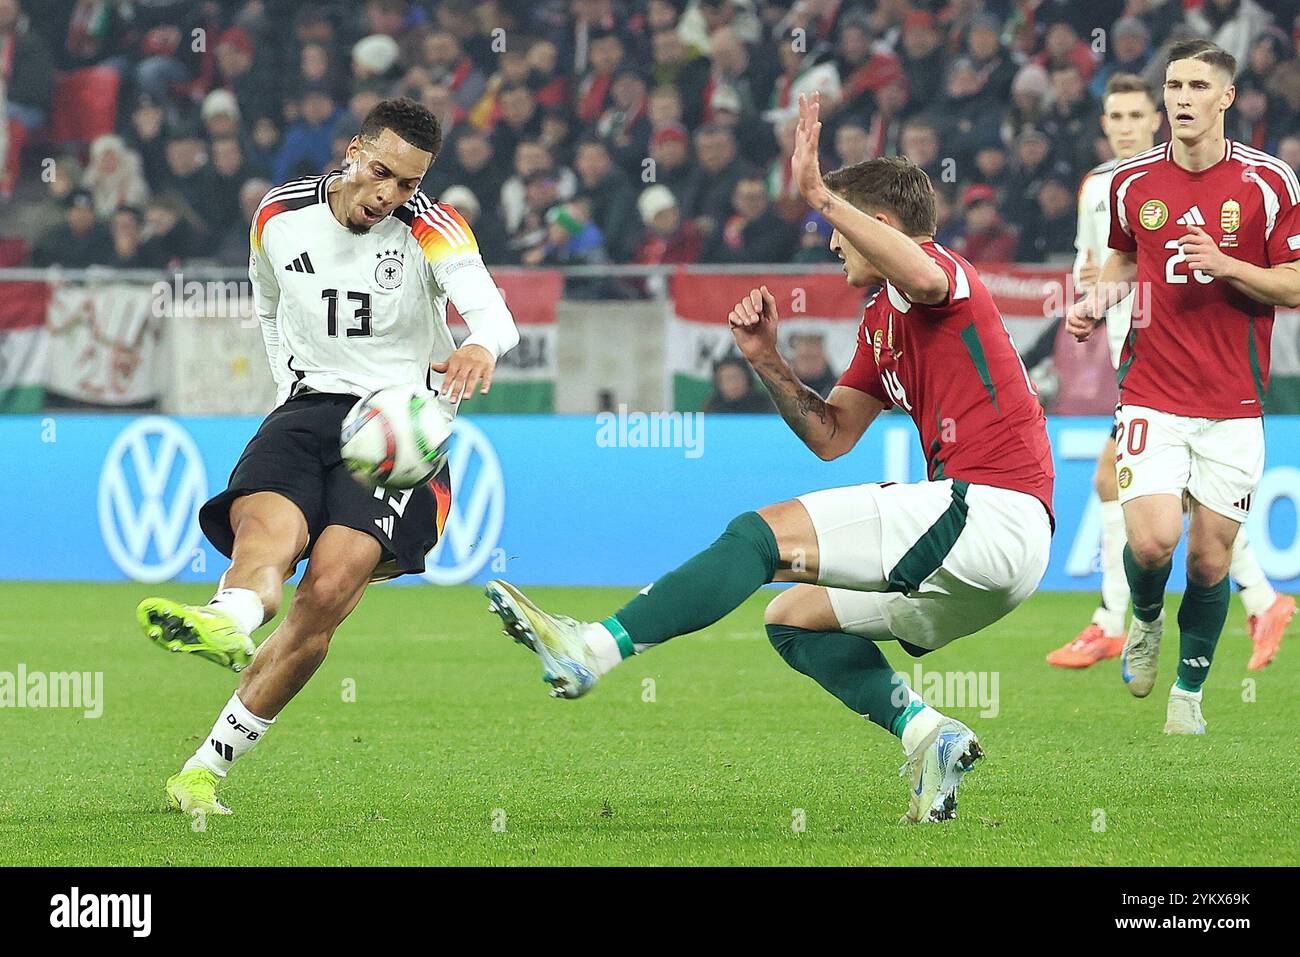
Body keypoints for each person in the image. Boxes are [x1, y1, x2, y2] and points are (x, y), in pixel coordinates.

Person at [485, 93, 1054, 823]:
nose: (829, 242)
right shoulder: (881, 323)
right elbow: (829, 436)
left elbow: (922, 275)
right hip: (993, 558)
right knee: (793, 616)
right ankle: (929, 735)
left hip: (989, 512)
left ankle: (593, 647)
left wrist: (818, 191)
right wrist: (768, 362)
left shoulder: (942, 277)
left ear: (877, 226)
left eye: (837, 226)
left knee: (757, 536)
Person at [134, 99, 519, 817]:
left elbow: (493, 313)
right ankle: (230, 616)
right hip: (309, 409)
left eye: (407, 183)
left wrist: (478, 346)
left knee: (329, 589)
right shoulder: (278, 215)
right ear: (353, 150)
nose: (389, 194)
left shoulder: (431, 228)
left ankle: (205, 766)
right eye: (381, 172)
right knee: (267, 534)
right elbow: (269, 305)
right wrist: (287, 388)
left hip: (399, 427)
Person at [1066, 41, 1300, 734]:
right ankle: (1141, 620)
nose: (1183, 97)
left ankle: (1188, 696)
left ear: (1226, 98)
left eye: (1199, 85)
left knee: (1208, 558)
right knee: (1152, 543)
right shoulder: (1131, 182)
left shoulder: (1271, 182)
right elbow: (1122, 260)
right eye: (1175, 85)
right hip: (1152, 392)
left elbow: (1293, 283)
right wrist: (1093, 303)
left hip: (1234, 402)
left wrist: (1227, 264)